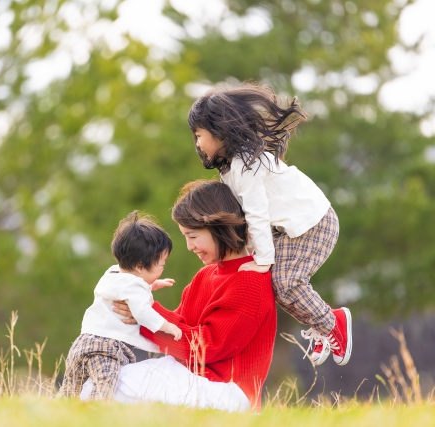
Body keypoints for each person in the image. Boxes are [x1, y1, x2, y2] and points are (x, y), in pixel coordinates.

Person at [187, 83, 352, 366]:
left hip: (313, 222)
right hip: (290, 227)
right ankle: (323, 324)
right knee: (276, 285)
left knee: (285, 284)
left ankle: (333, 323)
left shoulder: (245, 166)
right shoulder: (231, 167)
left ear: (219, 130)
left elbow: (256, 214)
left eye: (199, 135)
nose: (198, 144)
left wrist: (262, 259)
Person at [87, 180, 277, 411]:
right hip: (190, 376)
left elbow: (208, 346)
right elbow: (180, 327)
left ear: (219, 228)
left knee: (115, 387)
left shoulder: (251, 282)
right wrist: (140, 313)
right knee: (97, 383)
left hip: (226, 389)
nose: (189, 246)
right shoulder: (206, 275)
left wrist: (149, 315)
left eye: (193, 236)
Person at [57, 211, 182, 400]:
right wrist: (167, 325)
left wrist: (151, 285)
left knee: (69, 390)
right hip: (107, 349)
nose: (162, 268)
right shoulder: (135, 287)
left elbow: (129, 288)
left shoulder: (112, 273)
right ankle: (95, 417)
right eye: (161, 265)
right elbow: (142, 312)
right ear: (140, 266)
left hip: (81, 343)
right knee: (103, 390)